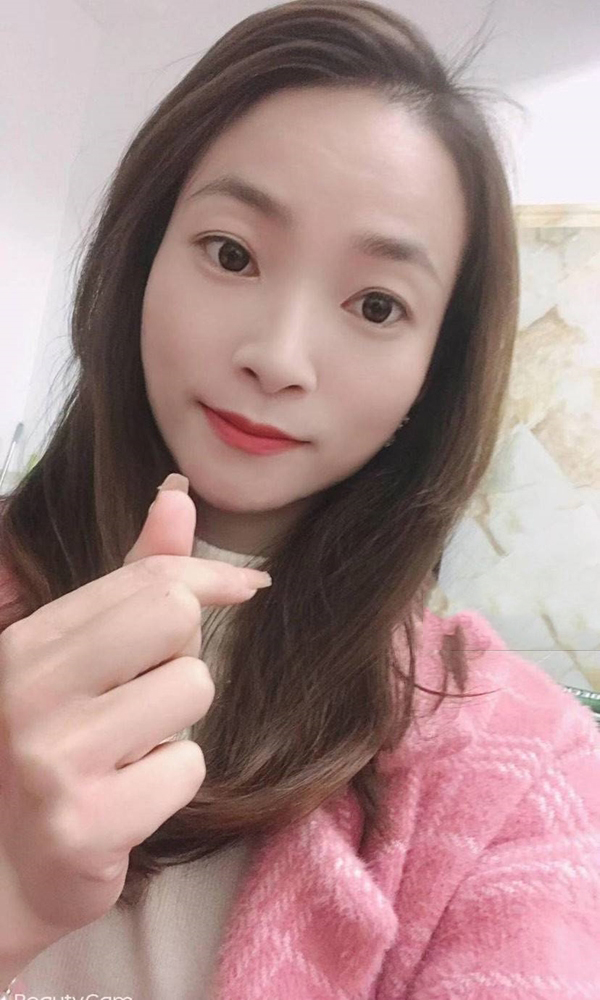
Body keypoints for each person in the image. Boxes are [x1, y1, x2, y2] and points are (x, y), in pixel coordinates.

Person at [1, 1, 599, 997]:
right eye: (231, 252)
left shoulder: (523, 772)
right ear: (140, 256)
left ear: (435, 372)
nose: (277, 357)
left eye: (377, 305)